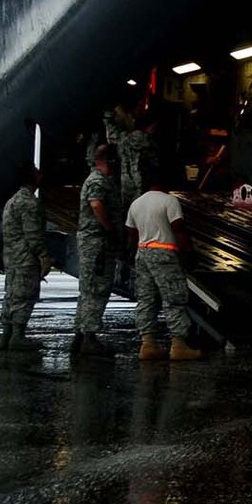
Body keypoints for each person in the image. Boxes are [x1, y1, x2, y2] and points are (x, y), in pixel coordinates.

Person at [125, 166, 206, 361]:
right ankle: (179, 345)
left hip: (142, 252)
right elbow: (178, 228)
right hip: (164, 254)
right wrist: (189, 252)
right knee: (173, 297)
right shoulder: (169, 201)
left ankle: (147, 344)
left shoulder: (136, 203)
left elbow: (131, 233)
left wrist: (130, 254)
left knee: (146, 299)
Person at [72, 143, 124, 356]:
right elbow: (96, 204)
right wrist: (108, 227)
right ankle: (89, 337)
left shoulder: (97, 179)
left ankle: (80, 336)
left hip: (93, 242)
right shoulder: (98, 181)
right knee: (97, 289)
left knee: (87, 289)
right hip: (98, 243)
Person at [0, 165, 51, 353]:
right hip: (25, 258)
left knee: (11, 295)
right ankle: (18, 337)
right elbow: (33, 234)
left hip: (11, 257)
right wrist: (43, 255)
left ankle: (6, 334)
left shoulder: (11, 201)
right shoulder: (29, 202)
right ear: (32, 178)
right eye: (38, 173)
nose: (41, 175)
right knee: (24, 296)